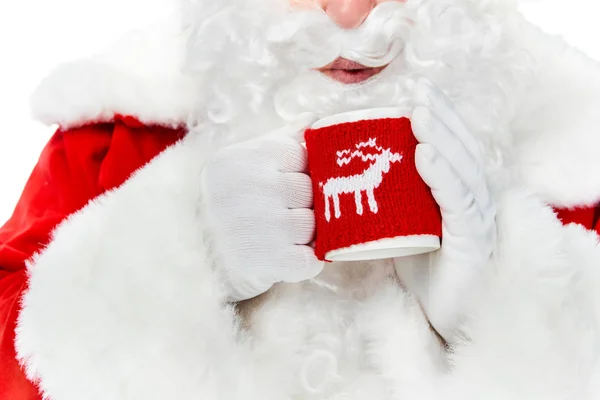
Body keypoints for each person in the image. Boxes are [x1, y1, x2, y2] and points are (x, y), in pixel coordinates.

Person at [1, 0, 600, 398]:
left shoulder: (572, 139)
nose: (345, 13)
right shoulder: (123, 126)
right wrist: (179, 259)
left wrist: (499, 308)